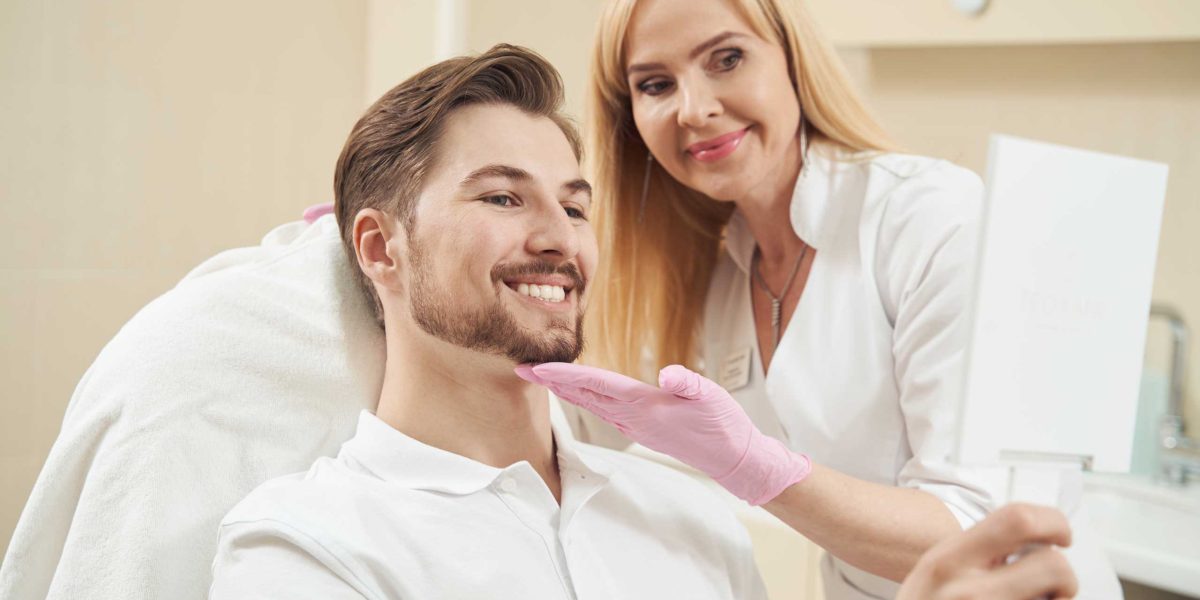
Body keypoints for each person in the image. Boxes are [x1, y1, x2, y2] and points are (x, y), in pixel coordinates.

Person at [210, 44, 1078, 600]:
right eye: (504, 196)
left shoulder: (686, 518)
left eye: (576, 207)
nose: (558, 239)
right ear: (379, 248)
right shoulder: (307, 549)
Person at [531, 0, 1121, 597]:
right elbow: (576, 420)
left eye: (727, 58)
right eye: (656, 84)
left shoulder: (929, 218)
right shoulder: (719, 274)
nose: (695, 109)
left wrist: (759, 470)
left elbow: (983, 532)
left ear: (793, 59)